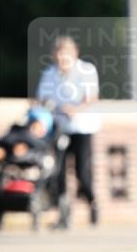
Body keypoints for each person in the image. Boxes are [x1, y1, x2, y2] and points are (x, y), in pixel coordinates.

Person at [35, 35, 100, 226]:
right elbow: (42, 99)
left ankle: (92, 202)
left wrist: (75, 110)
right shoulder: (49, 73)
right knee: (58, 171)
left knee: (81, 171)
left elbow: (92, 97)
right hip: (59, 128)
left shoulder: (86, 70)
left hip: (82, 127)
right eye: (59, 53)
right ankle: (63, 213)